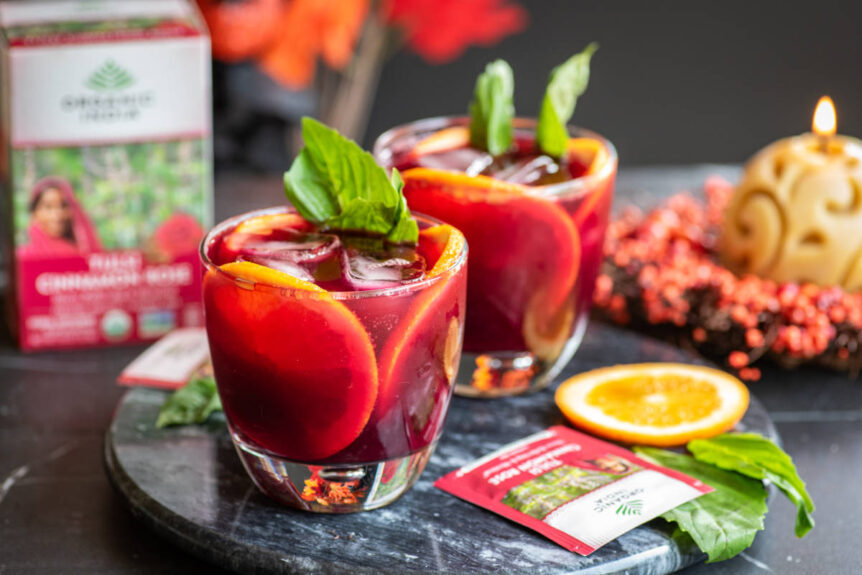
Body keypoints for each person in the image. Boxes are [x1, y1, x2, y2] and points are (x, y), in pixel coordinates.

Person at [17, 176, 102, 258]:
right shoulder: (22, 257)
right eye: (48, 207)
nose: (57, 215)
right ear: (35, 213)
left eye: (64, 206)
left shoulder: (86, 253)